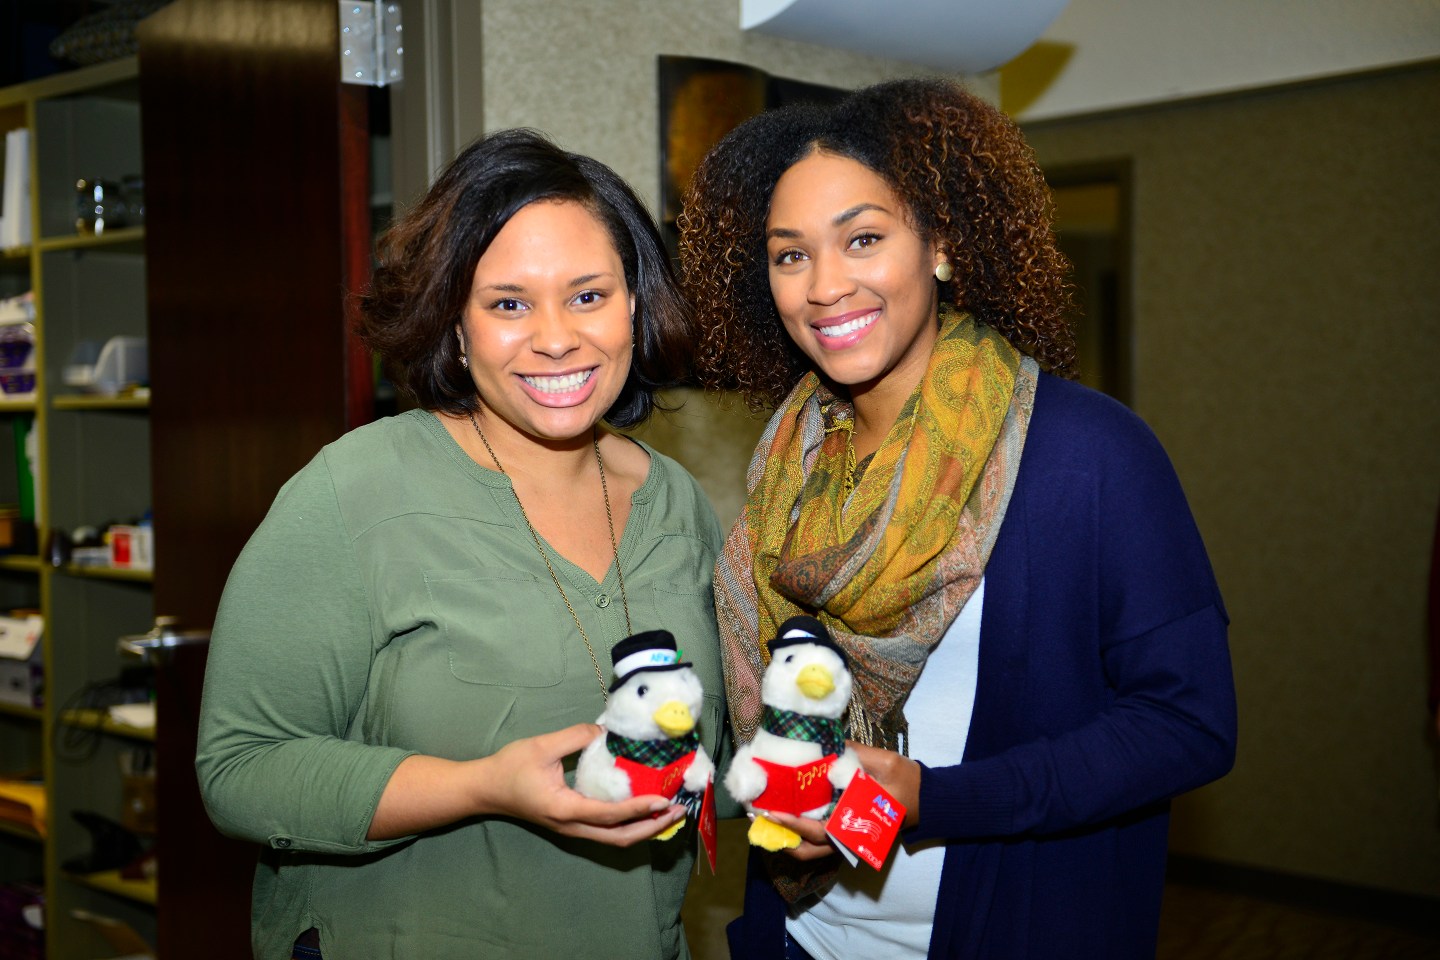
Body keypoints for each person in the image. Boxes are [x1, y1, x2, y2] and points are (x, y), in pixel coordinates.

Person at [679, 78, 1237, 959]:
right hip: (804, 936)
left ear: (940, 244)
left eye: (863, 239)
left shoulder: (1088, 455)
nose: (825, 286)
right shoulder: (792, 464)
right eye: (790, 256)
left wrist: (934, 798)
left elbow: (1189, 724)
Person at [195, 128, 728, 960]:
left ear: (634, 304)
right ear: (456, 323)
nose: (556, 337)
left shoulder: (680, 506)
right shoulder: (355, 492)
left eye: (588, 295)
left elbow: (710, 754)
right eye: (509, 304)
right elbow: (241, 769)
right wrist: (480, 788)